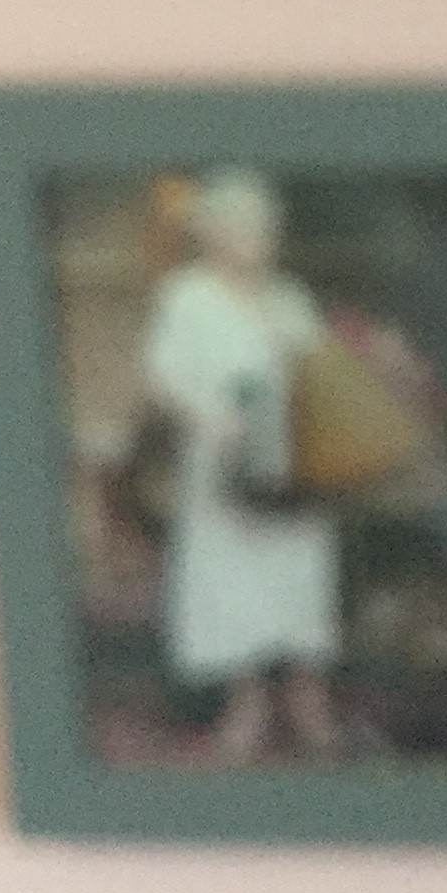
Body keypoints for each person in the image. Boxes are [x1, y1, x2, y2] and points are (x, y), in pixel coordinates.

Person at [141, 169, 348, 761]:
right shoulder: (187, 297)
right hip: (223, 462)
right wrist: (208, 419)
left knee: (301, 578)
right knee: (231, 582)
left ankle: (308, 698)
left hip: (293, 464)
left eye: (265, 226)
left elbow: (321, 371)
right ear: (213, 234)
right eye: (245, 226)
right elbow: (159, 378)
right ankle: (248, 701)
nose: (260, 237)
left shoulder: (291, 296)